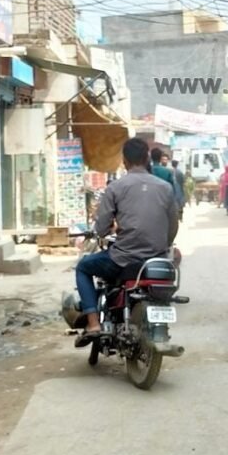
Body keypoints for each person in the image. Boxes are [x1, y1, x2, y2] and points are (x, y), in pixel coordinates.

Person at [75, 137, 178, 345]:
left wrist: (104, 231)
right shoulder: (165, 187)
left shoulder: (116, 187)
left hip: (123, 258)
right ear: (146, 158)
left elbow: (102, 228)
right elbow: (173, 226)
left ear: (125, 160)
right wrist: (162, 246)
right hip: (157, 259)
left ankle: (93, 323)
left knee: (83, 267)